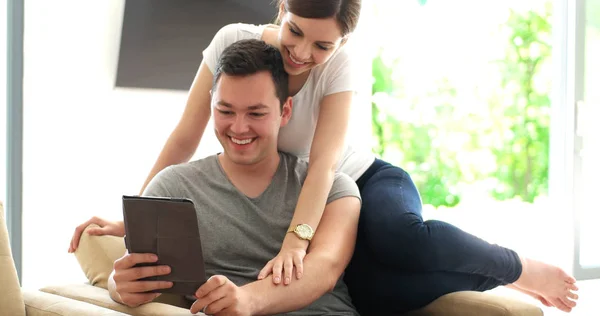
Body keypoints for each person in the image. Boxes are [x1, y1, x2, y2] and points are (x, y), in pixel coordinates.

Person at [69, 0, 579, 314]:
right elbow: (185, 134)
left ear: (342, 40)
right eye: (295, 32)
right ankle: (493, 274)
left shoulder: (342, 65)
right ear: (282, 8)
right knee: (376, 295)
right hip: (305, 184)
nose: (302, 54)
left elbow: (326, 162)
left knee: (403, 240)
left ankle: (515, 266)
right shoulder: (233, 42)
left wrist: (296, 241)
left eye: (322, 44)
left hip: (357, 179)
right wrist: (133, 218)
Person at [109, 39, 361, 316]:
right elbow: (130, 269)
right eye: (226, 111)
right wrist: (117, 286)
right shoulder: (172, 187)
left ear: (285, 111)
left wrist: (248, 300)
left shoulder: (337, 189)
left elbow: (325, 269)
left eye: (256, 113)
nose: (239, 128)